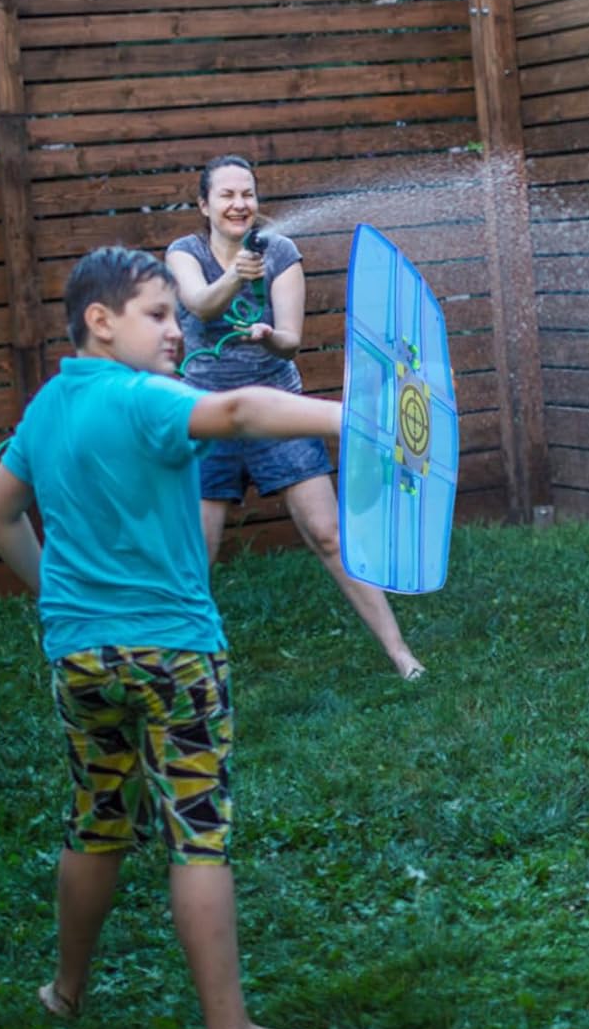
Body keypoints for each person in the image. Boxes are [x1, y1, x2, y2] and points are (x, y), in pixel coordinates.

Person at [0, 244, 338, 1029]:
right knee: (197, 837)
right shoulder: (145, 397)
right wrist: (351, 418)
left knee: (96, 821)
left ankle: (65, 992)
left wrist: (56, 595)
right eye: (159, 314)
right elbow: (238, 412)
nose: (178, 330)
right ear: (100, 322)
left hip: (81, 659)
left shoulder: (47, 406)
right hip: (174, 657)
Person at [166, 155, 426, 680]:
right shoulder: (184, 253)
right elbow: (199, 305)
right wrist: (235, 276)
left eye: (247, 194)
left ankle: (402, 655)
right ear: (204, 205)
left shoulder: (280, 250)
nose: (239, 204)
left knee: (329, 535)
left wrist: (269, 337)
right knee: (196, 555)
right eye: (226, 195)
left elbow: (291, 341)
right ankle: (177, 669)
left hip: (277, 410)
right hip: (206, 415)